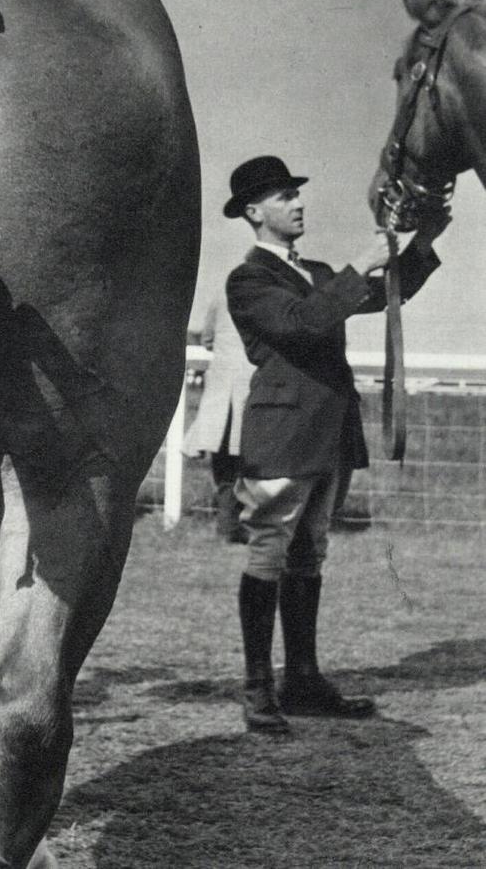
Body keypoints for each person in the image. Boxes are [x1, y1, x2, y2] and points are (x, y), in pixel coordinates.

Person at [223, 155, 447, 734]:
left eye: (297, 194)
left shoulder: (317, 271)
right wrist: (359, 265)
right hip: (283, 433)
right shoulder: (248, 279)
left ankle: (301, 680)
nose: (298, 203)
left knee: (308, 553)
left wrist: (422, 241)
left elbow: (383, 295)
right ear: (253, 212)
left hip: (326, 434)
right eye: (282, 196)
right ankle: (257, 691)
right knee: (270, 552)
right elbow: (302, 323)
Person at [182, 287, 253, 542]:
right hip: (252, 386)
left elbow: (208, 339)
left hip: (222, 385)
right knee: (247, 462)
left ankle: (228, 526)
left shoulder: (223, 294)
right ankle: (238, 525)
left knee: (224, 464)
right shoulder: (271, 293)